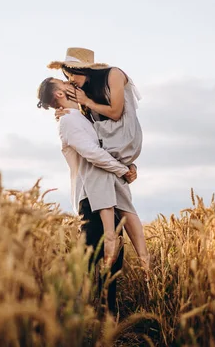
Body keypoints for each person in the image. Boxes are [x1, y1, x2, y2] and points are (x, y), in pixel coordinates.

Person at [36, 76, 136, 314]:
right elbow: (92, 153)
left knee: (113, 262)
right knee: (87, 261)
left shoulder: (83, 117)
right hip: (90, 199)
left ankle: (107, 318)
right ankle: (73, 315)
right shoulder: (68, 122)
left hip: (106, 196)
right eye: (65, 84)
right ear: (59, 94)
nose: (71, 84)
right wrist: (122, 170)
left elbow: (109, 146)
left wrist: (129, 166)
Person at [48, 47, 150, 274]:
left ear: (82, 69)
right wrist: (67, 112)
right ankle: (146, 263)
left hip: (123, 136)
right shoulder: (83, 93)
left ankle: (112, 239)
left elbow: (115, 112)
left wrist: (85, 102)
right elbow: (89, 132)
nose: (70, 80)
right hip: (107, 146)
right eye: (66, 76)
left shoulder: (113, 74)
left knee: (99, 167)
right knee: (123, 200)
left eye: (70, 74)